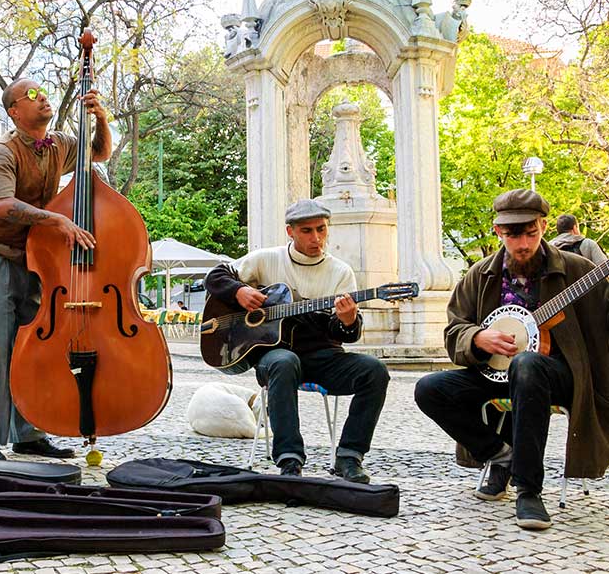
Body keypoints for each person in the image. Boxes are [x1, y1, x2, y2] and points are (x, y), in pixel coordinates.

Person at [415, 189, 609, 530]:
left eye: (531, 233)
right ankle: (499, 454)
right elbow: (454, 329)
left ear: (544, 226)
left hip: (558, 375)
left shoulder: (578, 270)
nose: (522, 243)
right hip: (495, 374)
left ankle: (528, 491)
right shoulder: (480, 275)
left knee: (528, 365)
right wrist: (476, 337)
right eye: (512, 234)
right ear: (497, 231)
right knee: (429, 388)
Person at [0, 77, 110, 461]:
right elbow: (2, 206)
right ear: (14, 112)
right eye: (30, 95)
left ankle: (28, 434)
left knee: (35, 351)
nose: (41, 96)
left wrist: (100, 117)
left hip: (36, 263)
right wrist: (57, 221)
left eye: (42, 91)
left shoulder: (59, 143)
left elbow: (97, 153)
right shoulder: (3, 152)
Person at [204, 199, 390, 481]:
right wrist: (238, 291)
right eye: (307, 231)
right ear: (290, 232)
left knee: (375, 371)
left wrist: (349, 320)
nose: (316, 238)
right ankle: (289, 458)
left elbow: (346, 336)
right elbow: (215, 275)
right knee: (284, 361)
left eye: (321, 229)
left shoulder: (340, 272)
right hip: (274, 357)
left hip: (324, 357)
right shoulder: (266, 259)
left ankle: (350, 456)